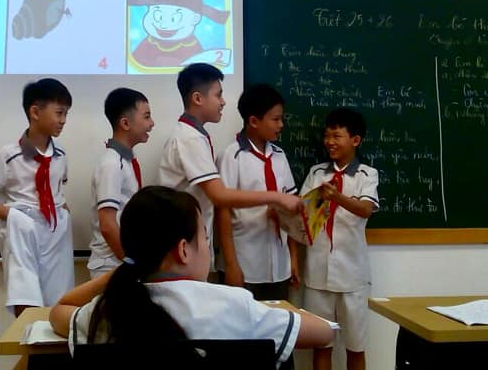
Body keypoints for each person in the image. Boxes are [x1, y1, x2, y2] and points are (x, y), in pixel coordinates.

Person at [49, 186, 335, 366]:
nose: (208, 246)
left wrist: (126, 268)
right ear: (184, 250)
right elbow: (324, 332)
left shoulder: (108, 311)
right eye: (205, 238)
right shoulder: (236, 306)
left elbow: (59, 310)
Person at [158, 63, 303, 269]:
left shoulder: (195, 136)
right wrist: (278, 197)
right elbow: (220, 196)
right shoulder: (190, 139)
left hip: (191, 244)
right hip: (183, 246)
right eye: (218, 95)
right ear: (198, 98)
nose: (223, 101)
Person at [0, 78, 75, 316]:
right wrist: (13, 215)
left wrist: (64, 214)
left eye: (66, 113)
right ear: (35, 112)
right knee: (26, 299)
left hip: (55, 231)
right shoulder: (8, 155)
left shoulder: (61, 154)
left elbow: (58, 190)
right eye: (59, 112)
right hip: (21, 229)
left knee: (59, 301)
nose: (63, 120)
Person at [299, 108, 379, 370]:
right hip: (317, 273)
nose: (329, 142)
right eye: (327, 136)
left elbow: (366, 209)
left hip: (352, 277)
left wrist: (337, 197)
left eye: (336, 136)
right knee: (321, 345)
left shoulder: (367, 174)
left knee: (355, 346)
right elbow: (301, 212)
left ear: (355, 140)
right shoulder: (316, 173)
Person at [216, 84, 300, 301]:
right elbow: (222, 212)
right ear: (253, 121)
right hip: (245, 264)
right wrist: (231, 265)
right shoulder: (231, 156)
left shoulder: (280, 156)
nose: (281, 125)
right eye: (275, 119)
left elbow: (291, 208)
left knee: (278, 319)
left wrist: (293, 259)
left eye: (282, 118)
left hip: (279, 266)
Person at [87, 88, 154, 279]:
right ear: (125, 123)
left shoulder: (125, 161)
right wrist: (130, 261)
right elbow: (108, 225)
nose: (152, 123)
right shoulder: (112, 164)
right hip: (111, 265)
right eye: (146, 117)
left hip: (120, 261)